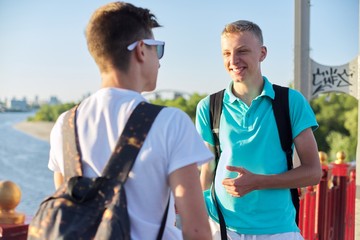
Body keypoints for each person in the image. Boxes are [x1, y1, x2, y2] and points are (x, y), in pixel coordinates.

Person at [48, 2, 212, 239]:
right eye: (158, 49)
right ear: (141, 50)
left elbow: (69, 212)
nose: (159, 61)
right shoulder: (170, 122)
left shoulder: (64, 125)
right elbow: (197, 230)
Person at [195, 20, 322, 239]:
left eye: (242, 51)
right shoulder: (208, 107)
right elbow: (207, 171)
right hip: (220, 228)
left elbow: (313, 172)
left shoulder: (291, 102)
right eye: (226, 53)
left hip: (278, 229)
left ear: (262, 53)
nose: (233, 61)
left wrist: (259, 182)